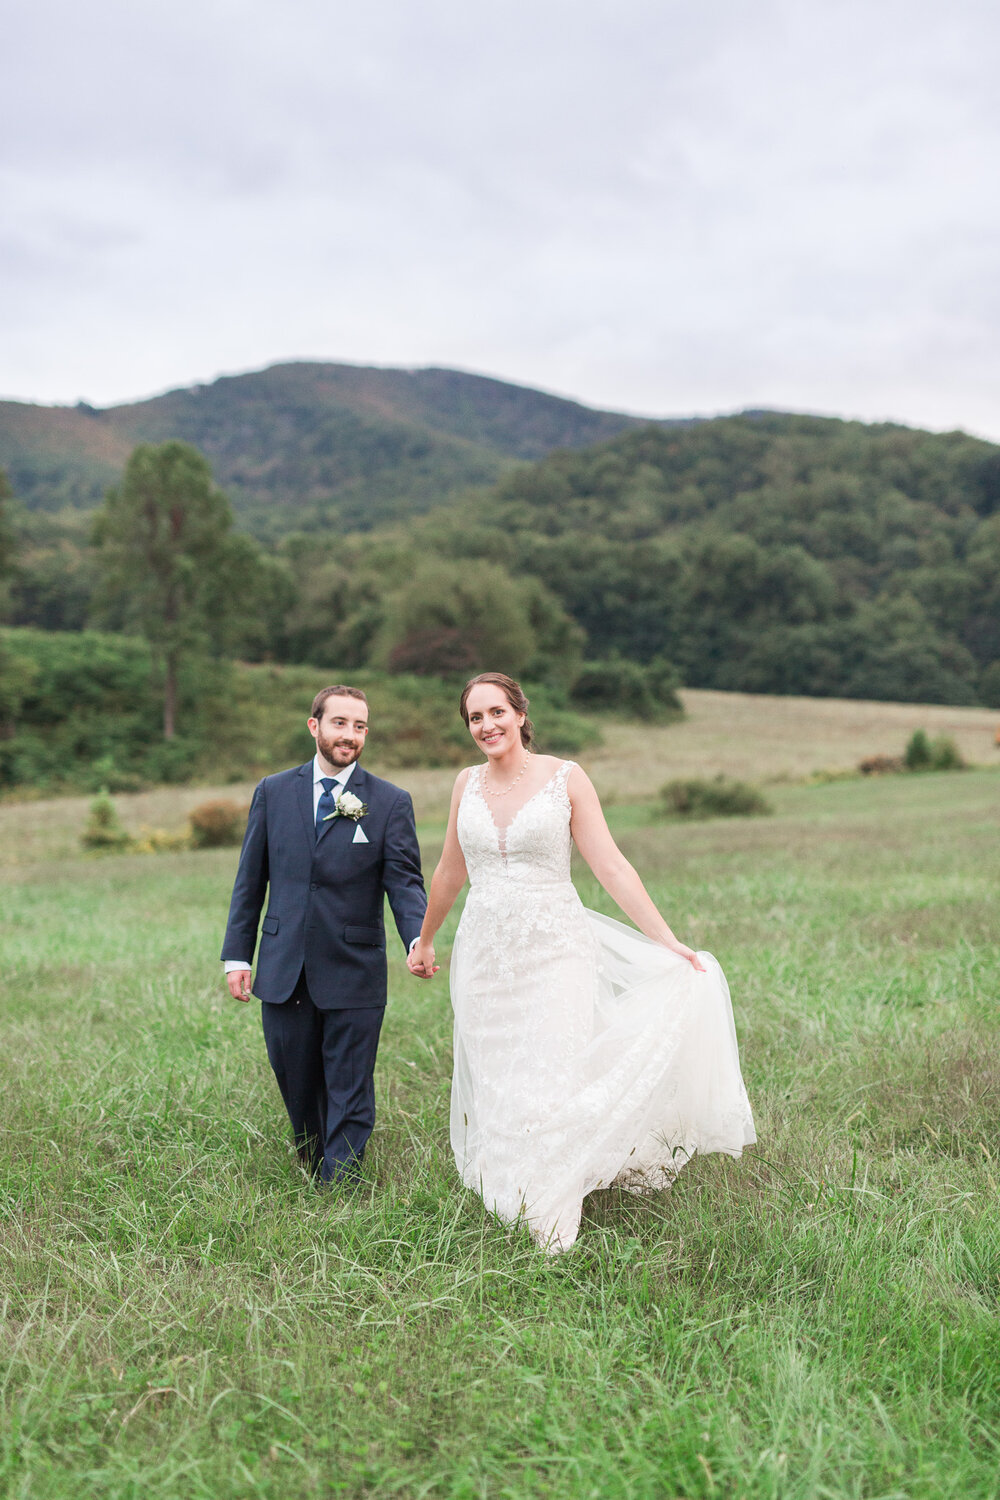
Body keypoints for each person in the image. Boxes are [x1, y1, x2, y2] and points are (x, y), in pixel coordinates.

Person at [407, 672, 755, 1252]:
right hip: (485, 956)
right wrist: (424, 940)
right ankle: (511, 1190)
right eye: (474, 718)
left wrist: (667, 940)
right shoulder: (464, 784)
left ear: (520, 713)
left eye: (496, 712)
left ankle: (552, 1207)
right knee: (499, 1078)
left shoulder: (565, 778)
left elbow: (611, 866)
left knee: (549, 1072)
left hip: (555, 950)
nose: (486, 725)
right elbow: (448, 870)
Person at [222, 685, 427, 1184]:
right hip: (283, 963)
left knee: (350, 1083)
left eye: (360, 726)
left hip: (354, 965)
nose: (350, 735)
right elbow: (251, 878)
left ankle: (341, 1185)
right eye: (340, 723)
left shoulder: (389, 802)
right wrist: (237, 956)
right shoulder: (273, 791)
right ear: (314, 726)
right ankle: (314, 1164)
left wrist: (418, 938)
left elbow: (404, 882)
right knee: (296, 1078)